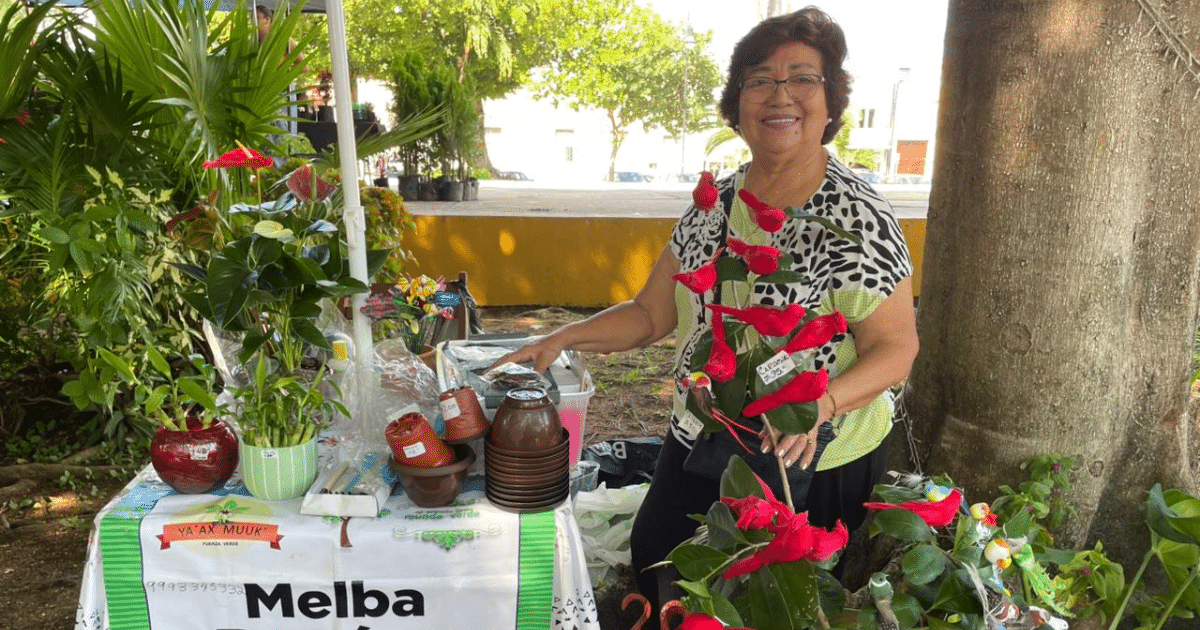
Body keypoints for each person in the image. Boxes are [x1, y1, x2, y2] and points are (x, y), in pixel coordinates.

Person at [496, 6, 918, 608]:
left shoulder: (856, 216)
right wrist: (562, 339)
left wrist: (819, 406)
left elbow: (896, 349)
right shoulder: (711, 205)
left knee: (771, 606)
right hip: (702, 431)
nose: (780, 94)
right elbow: (650, 314)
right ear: (737, 104)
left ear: (831, 103)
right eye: (759, 80)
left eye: (802, 78)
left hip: (807, 456)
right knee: (660, 563)